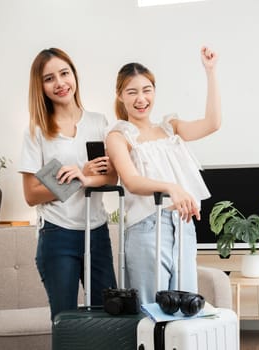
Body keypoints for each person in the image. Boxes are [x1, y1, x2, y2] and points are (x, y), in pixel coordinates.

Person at [106, 46, 221, 304]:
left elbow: (212, 123)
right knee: (152, 312)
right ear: (120, 95)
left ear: (154, 91)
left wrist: (210, 72)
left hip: (183, 225)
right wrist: (172, 188)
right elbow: (132, 181)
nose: (141, 99)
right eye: (132, 92)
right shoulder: (118, 136)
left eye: (147, 90)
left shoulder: (170, 128)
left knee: (185, 309)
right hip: (147, 227)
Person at [19, 48, 118, 321]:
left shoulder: (99, 123)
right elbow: (31, 194)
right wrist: (79, 178)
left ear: (74, 75)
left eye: (64, 73)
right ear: (40, 86)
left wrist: (85, 177)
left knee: (108, 318)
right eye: (49, 78)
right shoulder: (37, 130)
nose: (60, 83)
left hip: (96, 232)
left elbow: (111, 177)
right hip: (57, 235)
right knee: (65, 322)